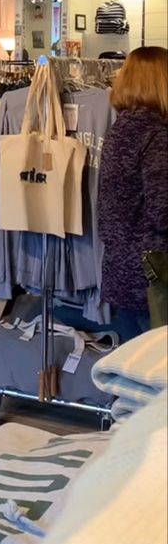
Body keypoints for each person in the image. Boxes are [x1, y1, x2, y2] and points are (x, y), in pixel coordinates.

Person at [98, 46, 168, 342]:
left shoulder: (121, 128)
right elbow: (162, 212)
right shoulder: (157, 135)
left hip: (121, 272)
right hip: (153, 279)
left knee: (135, 372)